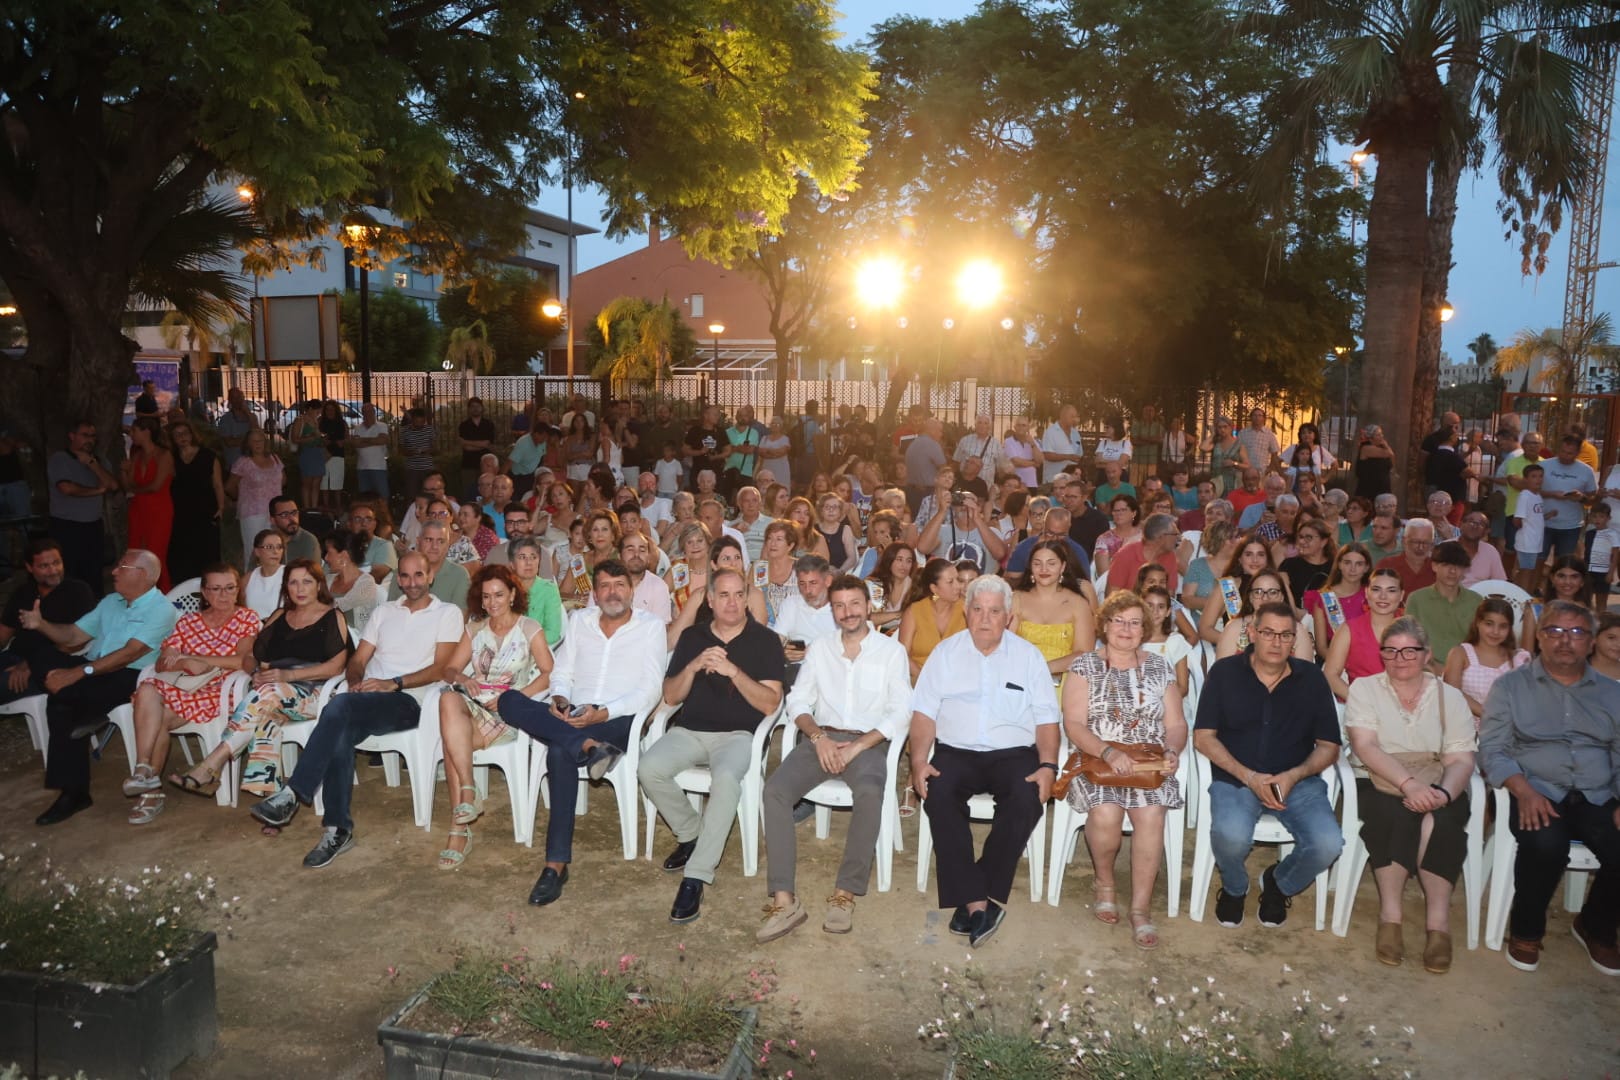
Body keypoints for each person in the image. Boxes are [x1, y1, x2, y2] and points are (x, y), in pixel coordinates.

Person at [248, 551, 464, 867]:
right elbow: (357, 660)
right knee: (341, 727)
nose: (411, 582)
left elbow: (442, 668)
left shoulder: (447, 613)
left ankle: (294, 792)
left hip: (411, 701)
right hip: (365, 699)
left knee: (340, 707)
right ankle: (337, 829)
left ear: (430, 576)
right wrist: (355, 680)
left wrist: (394, 683)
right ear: (399, 579)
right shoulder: (384, 611)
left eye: (419, 575)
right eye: (404, 575)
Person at [494, 561, 668, 905]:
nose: (613, 592)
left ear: (631, 590)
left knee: (559, 750)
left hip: (619, 717)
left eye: (619, 585)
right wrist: (559, 698)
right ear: (594, 592)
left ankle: (555, 865)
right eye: (604, 586)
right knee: (509, 700)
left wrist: (602, 713)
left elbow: (650, 691)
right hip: (574, 713)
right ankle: (589, 746)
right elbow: (562, 672)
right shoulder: (580, 621)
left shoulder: (650, 628)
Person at [757, 575, 911, 940]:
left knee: (871, 794)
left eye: (854, 604)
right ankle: (784, 900)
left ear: (868, 606)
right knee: (774, 791)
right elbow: (797, 700)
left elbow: (901, 711)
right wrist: (819, 737)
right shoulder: (822, 648)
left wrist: (859, 746)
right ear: (832, 610)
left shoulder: (891, 652)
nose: (848, 612)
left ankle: (844, 894)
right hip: (822, 737)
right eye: (839, 606)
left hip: (869, 742)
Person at [910, 575, 1060, 947]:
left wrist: (1048, 765)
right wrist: (917, 761)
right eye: (977, 609)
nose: (985, 618)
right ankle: (980, 902)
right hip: (956, 751)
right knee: (939, 793)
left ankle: (971, 895)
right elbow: (924, 714)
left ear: (1008, 617)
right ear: (967, 611)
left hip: (1012, 754)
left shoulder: (1028, 657)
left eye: (995, 611)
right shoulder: (945, 654)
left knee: (1026, 799)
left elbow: (1046, 719)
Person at [1479, 599, 1620, 974]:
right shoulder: (1510, 687)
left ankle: (1596, 926)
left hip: (1598, 792)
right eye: (1555, 631)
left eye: (1576, 632)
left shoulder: (1612, 692)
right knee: (1545, 844)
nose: (1565, 641)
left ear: (1590, 642)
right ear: (1539, 637)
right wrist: (1522, 789)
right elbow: (1492, 748)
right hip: (1536, 788)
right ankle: (1526, 930)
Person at [641, 566, 785, 923]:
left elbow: (771, 704)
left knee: (725, 782)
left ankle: (696, 876)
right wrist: (692, 667)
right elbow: (671, 697)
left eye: (739, 594)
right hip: (689, 731)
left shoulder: (764, 640)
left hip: (738, 735)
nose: (732, 603)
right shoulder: (693, 636)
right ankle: (691, 834)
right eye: (723, 595)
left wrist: (733, 671)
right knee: (648, 768)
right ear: (710, 600)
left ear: (748, 597)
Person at [1194, 602, 1343, 927]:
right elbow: (1203, 737)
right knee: (1230, 836)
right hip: (1237, 777)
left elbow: (1330, 746)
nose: (1276, 642)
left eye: (1285, 635)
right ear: (1251, 634)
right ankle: (1234, 888)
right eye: (1268, 633)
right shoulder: (1225, 673)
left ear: (1295, 639)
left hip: (1297, 781)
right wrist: (1249, 777)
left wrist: (1294, 775)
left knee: (1328, 845)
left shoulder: (1312, 679)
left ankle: (1279, 882)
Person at [1345, 617, 1476, 972]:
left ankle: (1438, 924)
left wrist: (1444, 794)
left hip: (1438, 779)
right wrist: (1409, 785)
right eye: (1390, 650)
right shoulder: (1365, 688)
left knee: (1443, 822)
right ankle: (1391, 915)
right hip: (1379, 778)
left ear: (1426, 654)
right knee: (1394, 814)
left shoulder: (1450, 697)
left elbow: (1462, 758)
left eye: (1409, 650)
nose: (1399, 658)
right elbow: (1366, 746)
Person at [1062, 589, 1185, 948]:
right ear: (1104, 625)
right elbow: (1073, 724)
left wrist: (1173, 749)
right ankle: (1105, 882)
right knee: (1106, 813)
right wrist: (1108, 752)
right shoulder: (1085, 666)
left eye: (1134, 623)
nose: (1126, 629)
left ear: (1145, 628)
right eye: (1119, 621)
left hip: (1147, 762)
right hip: (1098, 759)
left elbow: (1176, 723)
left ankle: (1141, 910)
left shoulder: (1159, 666)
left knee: (1150, 814)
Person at [19, 550, 179, 825]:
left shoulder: (162, 610)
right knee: (40, 654)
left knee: (58, 705)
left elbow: (129, 654)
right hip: (93, 668)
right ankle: (83, 711)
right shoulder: (111, 602)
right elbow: (73, 637)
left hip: (129, 674)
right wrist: (41, 624)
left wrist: (77, 673)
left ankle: (74, 793)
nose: (114, 571)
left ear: (143, 575)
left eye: (121, 566)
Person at [435, 564, 554, 867]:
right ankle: (468, 792)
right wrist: (463, 679)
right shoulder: (475, 629)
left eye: (499, 594)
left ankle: (459, 829)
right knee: (449, 699)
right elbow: (449, 669)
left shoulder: (529, 629)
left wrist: (514, 698)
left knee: (451, 744)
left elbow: (548, 674)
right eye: (486, 596)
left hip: (508, 714)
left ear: (513, 594)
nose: (492, 602)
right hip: (473, 708)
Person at [123, 565, 261, 823]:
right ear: (204, 593)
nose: (224, 595)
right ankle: (144, 770)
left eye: (230, 588)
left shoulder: (246, 618)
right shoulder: (188, 622)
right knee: (147, 689)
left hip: (219, 691)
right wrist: (185, 663)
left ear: (237, 590)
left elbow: (242, 660)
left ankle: (149, 787)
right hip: (183, 686)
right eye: (216, 589)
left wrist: (194, 658)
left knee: (158, 717)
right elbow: (164, 660)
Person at [0, 540, 96, 706]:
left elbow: (78, 642)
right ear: (30, 568)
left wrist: (29, 664)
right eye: (44, 566)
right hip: (13, 656)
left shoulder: (78, 591)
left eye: (57, 563)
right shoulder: (23, 592)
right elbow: (3, 633)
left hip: (49, 666)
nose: (53, 571)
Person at [1443, 596, 1529, 723]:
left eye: (1503, 626)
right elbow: (1453, 693)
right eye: (1489, 624)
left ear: (1510, 629)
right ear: (1478, 622)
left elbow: (1525, 700)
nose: (1495, 632)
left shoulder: (1517, 659)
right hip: (1465, 730)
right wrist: (1490, 715)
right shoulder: (1460, 654)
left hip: (1506, 732)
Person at [1325, 567, 1406, 700]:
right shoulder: (1348, 629)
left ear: (1401, 595)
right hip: (1360, 709)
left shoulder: (1411, 629)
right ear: (1367, 592)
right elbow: (1330, 675)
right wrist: (1361, 702)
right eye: (1376, 589)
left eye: (1391, 590)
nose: (1383, 596)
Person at [1404, 541, 1484, 673]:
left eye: (1458, 566)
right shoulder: (1417, 599)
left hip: (1468, 671)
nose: (1452, 571)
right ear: (1434, 566)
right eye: (1446, 565)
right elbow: (1410, 642)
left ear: (1464, 570)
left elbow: (1481, 643)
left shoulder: (1476, 601)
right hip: (1426, 669)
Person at [164, 419, 224, 584]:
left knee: (207, 555)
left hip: (205, 512)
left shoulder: (208, 455)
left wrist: (221, 506)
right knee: (182, 556)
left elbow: (217, 484)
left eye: (185, 433)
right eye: (177, 435)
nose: (182, 437)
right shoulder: (171, 459)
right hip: (181, 514)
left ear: (192, 435)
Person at [1216, 570, 1314, 661]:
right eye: (1258, 592)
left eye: (1273, 592)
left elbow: (1305, 676)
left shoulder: (1298, 631)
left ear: (1282, 597)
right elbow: (1221, 674)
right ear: (1250, 598)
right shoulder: (1234, 628)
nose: (1265, 598)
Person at [898, 557, 967, 681]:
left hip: (959, 681)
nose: (958, 586)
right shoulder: (915, 611)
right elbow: (902, 655)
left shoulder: (966, 609)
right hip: (919, 680)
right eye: (950, 582)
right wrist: (925, 680)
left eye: (958, 580)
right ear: (934, 589)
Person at [1306, 542, 1371, 653]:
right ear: (1339, 564)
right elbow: (1321, 648)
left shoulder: (1372, 595)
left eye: (1359, 564)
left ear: (1366, 568)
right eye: (1347, 563)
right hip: (1336, 660)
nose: (1352, 569)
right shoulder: (1325, 598)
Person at [1520, 555, 1593, 652]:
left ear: (1582, 581)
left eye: (1574, 577)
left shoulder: (1588, 611)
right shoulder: (1535, 609)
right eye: (1561, 576)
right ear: (1552, 579)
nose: (1567, 582)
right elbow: (1527, 654)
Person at [1540, 435, 1597, 558]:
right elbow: (1531, 491)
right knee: (1538, 561)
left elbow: (1594, 499)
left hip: (1570, 526)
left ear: (1577, 453)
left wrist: (1581, 498)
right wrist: (1552, 494)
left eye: (1570, 453)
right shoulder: (1544, 465)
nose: (1565, 456)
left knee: (1563, 562)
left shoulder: (1586, 471)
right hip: (1543, 523)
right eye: (1562, 452)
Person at [392, 521, 471, 609]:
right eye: (429, 540)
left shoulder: (459, 575)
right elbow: (390, 612)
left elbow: (460, 618)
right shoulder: (402, 573)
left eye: (441, 541)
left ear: (448, 545)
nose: (434, 546)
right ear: (418, 542)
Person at [1104, 512, 1180, 596]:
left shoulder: (1170, 557)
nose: (1179, 537)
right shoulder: (1125, 555)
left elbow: (1170, 596)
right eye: (1175, 534)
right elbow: (1111, 597)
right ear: (1161, 537)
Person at [325, 528, 380, 635]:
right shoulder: (328, 579)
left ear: (344, 556)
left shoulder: (366, 583)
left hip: (356, 642)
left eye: (329, 552)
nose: (326, 558)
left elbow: (337, 606)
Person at [1377, 518, 1437, 595]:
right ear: (1404, 541)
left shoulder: (1439, 569)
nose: (1420, 547)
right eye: (1415, 542)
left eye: (1426, 543)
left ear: (1432, 544)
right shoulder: (1387, 565)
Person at [457, 397, 496, 500]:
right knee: (468, 493)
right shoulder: (464, 425)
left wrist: (467, 441)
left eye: (477, 406)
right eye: (472, 406)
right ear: (469, 409)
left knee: (487, 492)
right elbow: (466, 448)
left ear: (482, 408)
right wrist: (481, 445)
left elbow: (487, 443)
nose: (475, 409)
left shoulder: (488, 424)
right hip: (468, 465)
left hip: (485, 465)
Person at [350, 402, 390, 501]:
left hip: (378, 467)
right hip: (362, 467)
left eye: (369, 411)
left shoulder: (382, 426)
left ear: (374, 412)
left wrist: (363, 440)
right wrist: (374, 440)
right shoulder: (358, 428)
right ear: (362, 413)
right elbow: (355, 444)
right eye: (365, 412)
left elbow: (382, 440)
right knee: (365, 497)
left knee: (382, 495)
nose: (367, 414)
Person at [1457, 509, 1508, 588]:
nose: (1474, 525)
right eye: (1471, 521)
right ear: (1461, 524)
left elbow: (1500, 584)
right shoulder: (1445, 547)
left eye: (1481, 524)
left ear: (1486, 531)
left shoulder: (1491, 552)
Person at [243, 529, 286, 620]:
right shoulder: (248, 578)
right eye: (269, 547)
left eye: (279, 547)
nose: (275, 551)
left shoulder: (290, 574)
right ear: (257, 552)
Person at [812, 492, 859, 573]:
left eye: (835, 507)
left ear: (840, 512)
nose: (831, 510)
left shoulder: (846, 529)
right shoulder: (813, 529)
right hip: (817, 573)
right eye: (827, 507)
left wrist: (839, 572)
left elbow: (852, 558)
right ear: (821, 511)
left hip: (840, 574)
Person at [269, 495, 320, 565]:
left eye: (294, 513)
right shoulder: (265, 542)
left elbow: (312, 574)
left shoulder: (308, 540)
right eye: (284, 515)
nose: (292, 519)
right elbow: (252, 573)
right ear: (273, 520)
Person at [1353, 424, 1395, 498]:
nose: (1382, 436)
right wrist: (1386, 445)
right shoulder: (1366, 448)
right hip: (1370, 489)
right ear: (1371, 438)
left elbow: (1392, 460)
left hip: (1382, 488)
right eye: (1378, 435)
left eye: (1381, 434)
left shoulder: (1381, 447)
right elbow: (1390, 454)